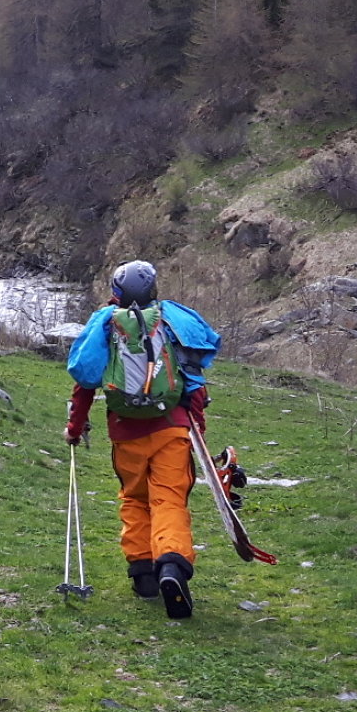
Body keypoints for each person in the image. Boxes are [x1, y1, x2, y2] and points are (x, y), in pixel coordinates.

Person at [63, 259, 221, 619]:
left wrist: (75, 428)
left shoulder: (106, 324)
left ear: (115, 292)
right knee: (169, 499)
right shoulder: (172, 321)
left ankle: (143, 574)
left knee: (134, 498)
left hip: (126, 431)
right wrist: (196, 428)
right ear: (153, 290)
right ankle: (172, 565)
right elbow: (194, 380)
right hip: (171, 428)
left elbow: (84, 383)